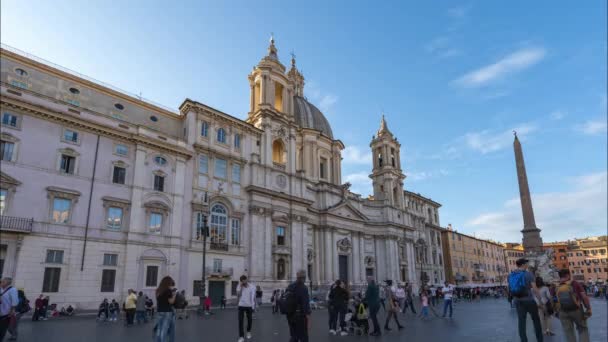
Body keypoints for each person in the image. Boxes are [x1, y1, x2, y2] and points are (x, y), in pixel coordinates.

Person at [509, 258, 543, 342]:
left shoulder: (511, 275)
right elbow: (535, 288)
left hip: (517, 300)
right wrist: (540, 300)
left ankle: (524, 340)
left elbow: (510, 288)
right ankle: (540, 339)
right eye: (526, 263)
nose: (528, 265)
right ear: (523, 264)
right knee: (536, 320)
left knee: (521, 322)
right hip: (529, 300)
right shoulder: (528, 274)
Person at [555, 268, 591, 342]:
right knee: (582, 328)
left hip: (563, 312)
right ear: (568, 275)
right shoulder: (574, 283)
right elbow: (584, 296)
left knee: (568, 332)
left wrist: (556, 312)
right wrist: (588, 308)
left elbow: (553, 300)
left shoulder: (556, 286)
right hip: (576, 310)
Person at [286, 270, 311, 342]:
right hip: (300, 316)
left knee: (294, 335)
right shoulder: (303, 288)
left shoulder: (290, 286)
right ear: (304, 277)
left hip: (290, 315)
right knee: (304, 337)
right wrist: (308, 316)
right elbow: (305, 304)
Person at [154, 276, 176, 342]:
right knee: (166, 329)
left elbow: (158, 300)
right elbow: (171, 301)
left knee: (159, 329)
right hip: (168, 312)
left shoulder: (157, 290)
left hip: (159, 311)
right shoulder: (168, 291)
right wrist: (174, 294)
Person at [236, 275, 256, 342]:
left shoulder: (251, 287)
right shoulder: (239, 286)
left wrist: (254, 306)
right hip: (241, 305)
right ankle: (241, 336)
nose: (243, 282)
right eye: (242, 281)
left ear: (246, 280)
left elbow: (253, 297)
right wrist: (241, 287)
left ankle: (248, 332)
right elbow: (238, 295)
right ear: (241, 281)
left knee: (250, 320)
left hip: (249, 306)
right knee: (240, 321)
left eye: (244, 280)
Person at [0, 277, 19, 341]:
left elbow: (15, 302)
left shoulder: (13, 290)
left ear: (7, 283)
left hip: (6, 314)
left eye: (3, 281)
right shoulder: (0, 288)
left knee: (2, 329)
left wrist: (11, 311)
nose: (1, 283)